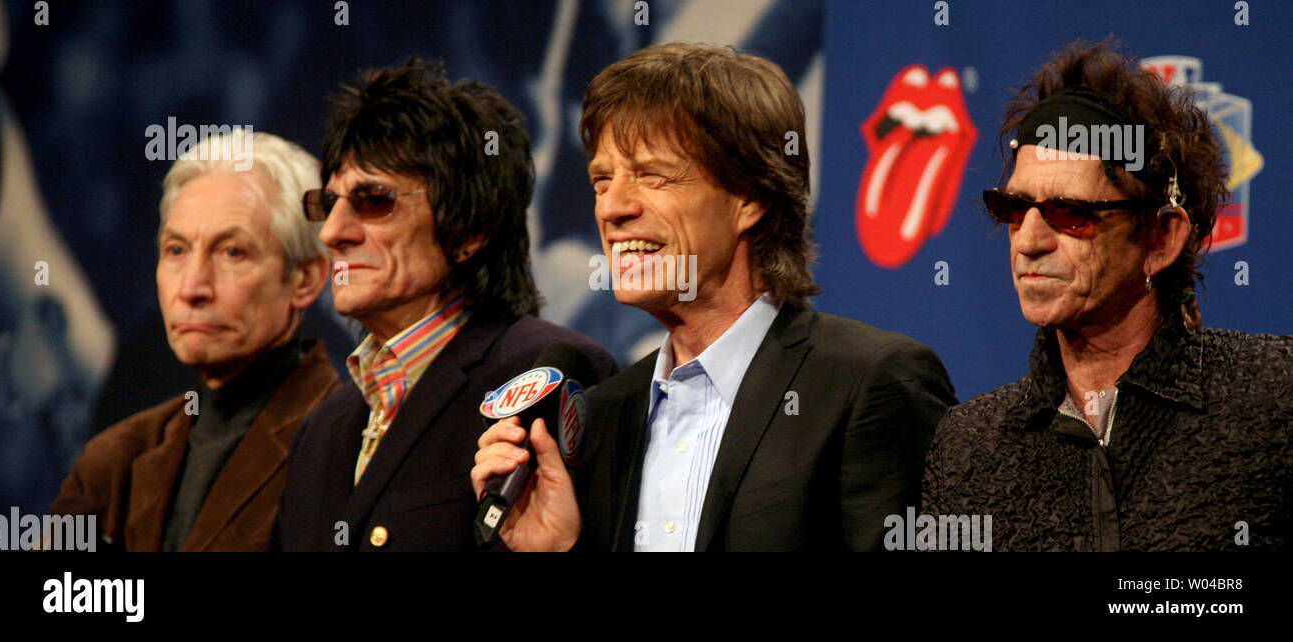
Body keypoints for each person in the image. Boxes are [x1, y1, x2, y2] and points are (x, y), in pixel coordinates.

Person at [471, 43, 956, 552]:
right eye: (601, 180)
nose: (612, 209)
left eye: (652, 174)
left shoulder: (870, 384)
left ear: (749, 197)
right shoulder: (603, 415)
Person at [921, 41, 1293, 551]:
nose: (1028, 241)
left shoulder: (1274, 396)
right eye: (1013, 207)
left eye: (1069, 211)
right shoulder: (969, 446)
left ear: (1161, 239)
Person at [276, 59, 617, 552]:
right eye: (328, 205)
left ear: (469, 231)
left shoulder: (546, 374)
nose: (332, 233)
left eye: (373, 200)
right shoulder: (321, 428)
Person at [50, 130, 340, 551]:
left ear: (305, 279)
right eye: (177, 251)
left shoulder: (353, 452)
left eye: (232, 252)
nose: (192, 287)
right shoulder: (113, 460)